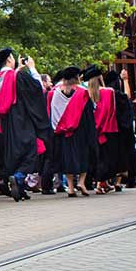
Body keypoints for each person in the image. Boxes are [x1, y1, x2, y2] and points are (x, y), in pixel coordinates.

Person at [0, 48, 50, 202]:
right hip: (20, 119)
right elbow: (38, 89)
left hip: (3, 122)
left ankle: (19, 188)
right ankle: (19, 176)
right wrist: (32, 68)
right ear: (10, 59)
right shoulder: (17, 76)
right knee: (31, 151)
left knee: (13, 154)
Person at [48, 67, 97, 198]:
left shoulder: (54, 93)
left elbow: (52, 113)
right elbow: (88, 115)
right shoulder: (82, 93)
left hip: (62, 132)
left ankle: (70, 188)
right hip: (80, 131)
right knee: (84, 156)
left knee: (67, 158)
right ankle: (81, 182)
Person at [86, 65, 117, 194]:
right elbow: (111, 112)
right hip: (105, 130)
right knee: (105, 158)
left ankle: (103, 183)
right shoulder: (109, 92)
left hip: (91, 131)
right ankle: (100, 183)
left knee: (95, 157)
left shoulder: (85, 94)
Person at [102, 70, 135, 191]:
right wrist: (126, 81)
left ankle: (106, 181)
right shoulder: (117, 95)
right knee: (122, 156)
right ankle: (118, 182)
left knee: (110, 156)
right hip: (121, 130)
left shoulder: (104, 94)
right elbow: (127, 97)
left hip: (109, 129)